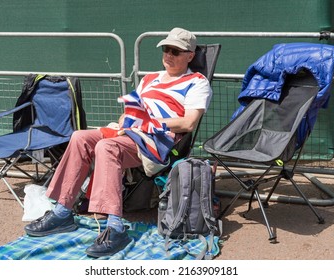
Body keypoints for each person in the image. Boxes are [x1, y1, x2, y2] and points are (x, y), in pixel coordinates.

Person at [24, 27, 213, 258]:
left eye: (176, 51)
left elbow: (188, 123)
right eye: (166, 49)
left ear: (191, 55)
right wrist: (127, 120)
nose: (168, 55)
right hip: (131, 133)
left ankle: (115, 227)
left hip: (159, 142)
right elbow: (131, 109)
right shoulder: (150, 79)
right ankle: (63, 211)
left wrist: (145, 124)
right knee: (80, 137)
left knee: (106, 147)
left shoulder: (197, 81)